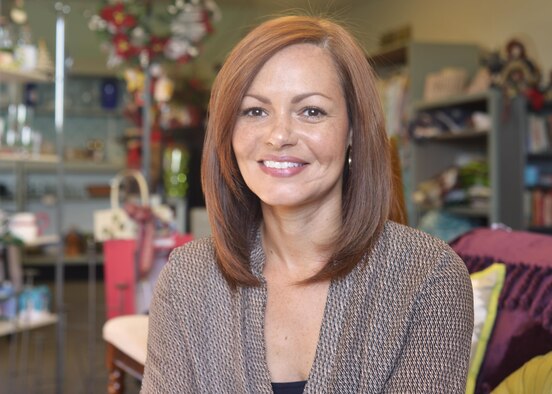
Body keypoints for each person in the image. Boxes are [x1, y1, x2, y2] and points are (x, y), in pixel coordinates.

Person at [141, 15, 473, 394]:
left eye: (311, 111)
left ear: (352, 130)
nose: (279, 135)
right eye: (254, 111)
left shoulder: (429, 277)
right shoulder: (187, 279)